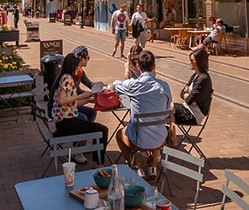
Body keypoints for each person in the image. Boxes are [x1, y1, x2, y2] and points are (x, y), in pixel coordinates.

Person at [111, 50, 172, 178]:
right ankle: (153, 165)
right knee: (155, 127)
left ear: (138, 67)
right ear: (154, 66)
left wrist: (115, 83)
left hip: (138, 140)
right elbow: (167, 111)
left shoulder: (134, 85)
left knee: (119, 134)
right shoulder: (164, 86)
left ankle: (136, 164)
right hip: (160, 139)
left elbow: (116, 86)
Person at [49, 53, 109, 165]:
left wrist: (87, 101)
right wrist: (82, 96)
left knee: (97, 128)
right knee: (102, 130)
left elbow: (70, 104)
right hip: (67, 123)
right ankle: (99, 163)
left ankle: (97, 160)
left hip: (64, 120)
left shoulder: (64, 76)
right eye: (78, 66)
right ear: (73, 66)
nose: (79, 69)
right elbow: (62, 100)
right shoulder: (68, 78)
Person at [174, 48, 213, 125]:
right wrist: (188, 95)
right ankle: (167, 133)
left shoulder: (203, 79)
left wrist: (188, 95)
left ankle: (166, 134)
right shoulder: (195, 75)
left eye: (192, 61)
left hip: (194, 115)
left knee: (167, 109)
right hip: (187, 108)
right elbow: (182, 93)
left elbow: (189, 100)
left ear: (199, 62)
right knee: (164, 107)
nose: (190, 63)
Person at [72, 46, 98, 122]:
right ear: (82, 59)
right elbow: (78, 91)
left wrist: (102, 89)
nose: (88, 60)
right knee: (83, 118)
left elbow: (89, 84)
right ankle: (84, 131)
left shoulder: (80, 71)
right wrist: (90, 96)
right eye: (88, 58)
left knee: (92, 112)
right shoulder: (71, 73)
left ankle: (88, 130)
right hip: (66, 108)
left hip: (72, 104)